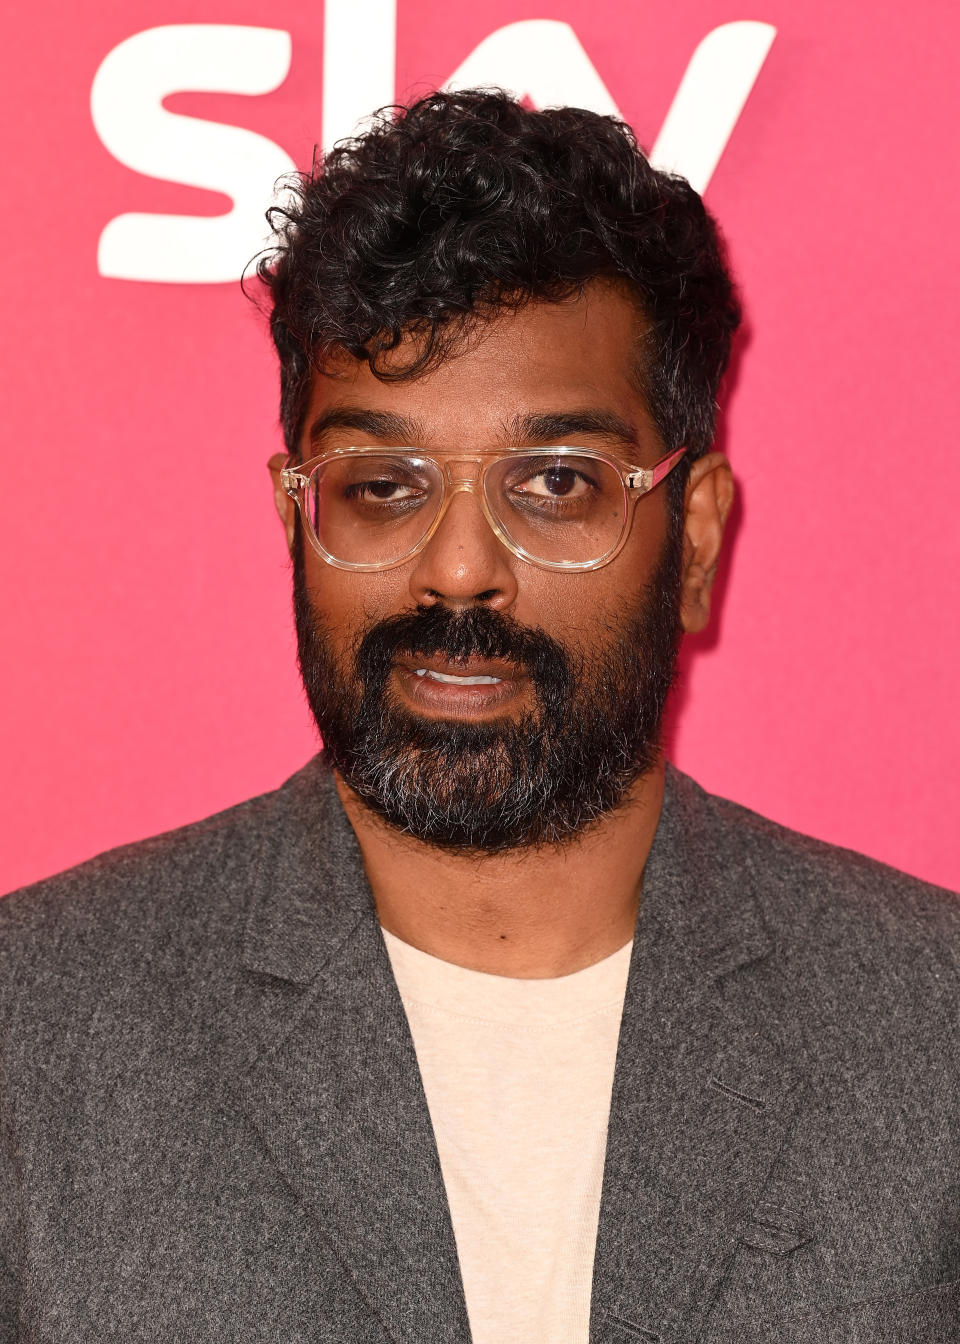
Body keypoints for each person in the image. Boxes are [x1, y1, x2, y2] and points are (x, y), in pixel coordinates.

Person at [1, 89, 957, 1344]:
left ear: (698, 540)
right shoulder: (40, 1024)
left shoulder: (925, 1027)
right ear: (297, 518)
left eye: (555, 483)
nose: (457, 569)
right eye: (382, 485)